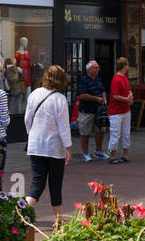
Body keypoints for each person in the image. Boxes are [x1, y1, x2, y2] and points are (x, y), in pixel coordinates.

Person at [25, 65, 72, 225]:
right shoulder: (60, 99)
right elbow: (63, 126)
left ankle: (23, 212)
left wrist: (31, 134)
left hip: (36, 145)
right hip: (54, 147)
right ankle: (58, 218)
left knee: (37, 182)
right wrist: (68, 147)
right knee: (55, 183)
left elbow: (27, 119)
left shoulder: (34, 94)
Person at [75, 60, 108, 162]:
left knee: (100, 130)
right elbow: (82, 95)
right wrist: (95, 99)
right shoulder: (84, 81)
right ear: (90, 70)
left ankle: (99, 151)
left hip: (99, 110)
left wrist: (104, 98)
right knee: (85, 132)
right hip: (87, 110)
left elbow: (103, 91)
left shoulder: (98, 79)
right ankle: (85, 153)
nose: (98, 69)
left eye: (98, 67)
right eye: (96, 68)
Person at [106, 57, 134, 164]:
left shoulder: (124, 78)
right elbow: (115, 96)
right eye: (127, 64)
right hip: (115, 111)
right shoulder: (116, 79)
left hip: (125, 110)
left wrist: (130, 95)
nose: (128, 66)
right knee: (115, 133)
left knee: (126, 133)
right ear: (124, 66)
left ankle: (125, 154)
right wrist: (126, 99)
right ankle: (112, 155)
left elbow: (128, 90)